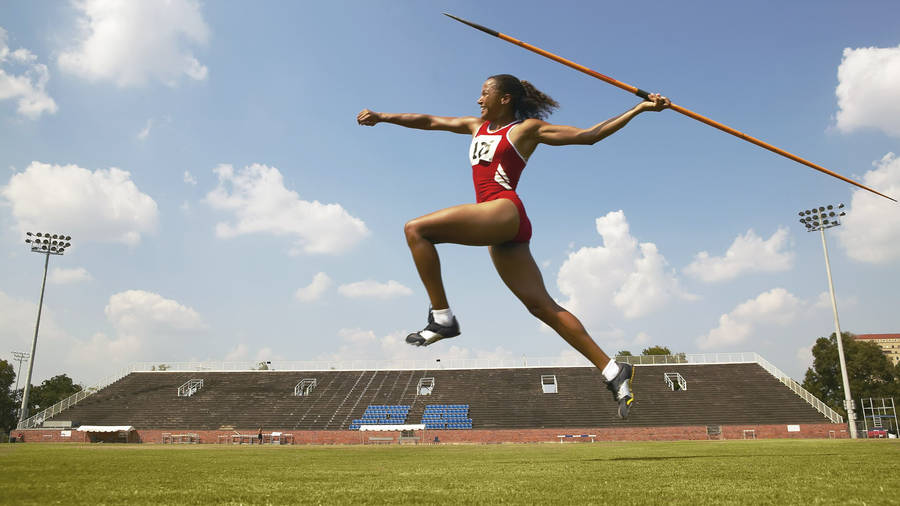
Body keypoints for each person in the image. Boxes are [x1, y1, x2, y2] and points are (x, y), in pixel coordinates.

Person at [357, 74, 670, 418]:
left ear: (505, 98)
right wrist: (383, 117)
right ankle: (613, 370)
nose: (478, 99)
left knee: (416, 230)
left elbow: (589, 136)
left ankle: (442, 317)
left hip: (504, 210)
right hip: (502, 233)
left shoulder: (525, 130)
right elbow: (429, 121)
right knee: (541, 307)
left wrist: (639, 108)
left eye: (484, 93)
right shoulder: (475, 125)